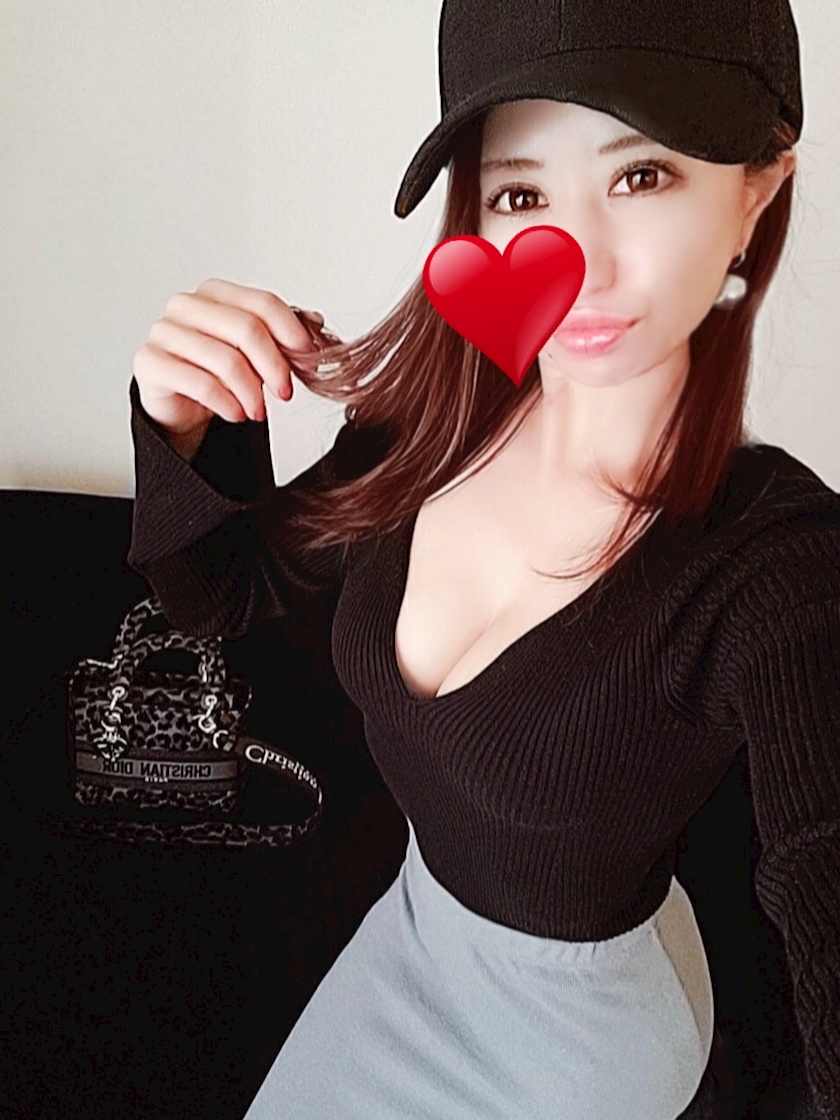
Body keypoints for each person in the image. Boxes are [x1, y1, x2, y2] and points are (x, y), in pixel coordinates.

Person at [127, 1, 839, 1118]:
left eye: (641, 175)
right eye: (520, 195)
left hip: (586, 1044)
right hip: (412, 940)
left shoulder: (780, 569)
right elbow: (219, 596)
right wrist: (181, 421)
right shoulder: (435, 422)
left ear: (756, 191)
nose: (578, 260)